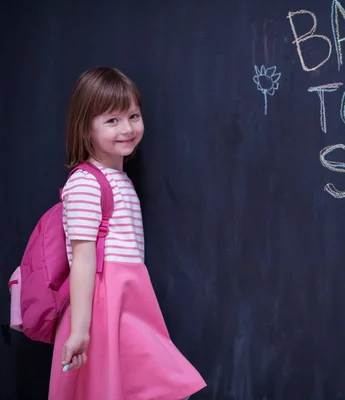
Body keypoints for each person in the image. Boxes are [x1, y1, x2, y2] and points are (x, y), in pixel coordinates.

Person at [49, 67, 206, 399]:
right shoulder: (85, 182)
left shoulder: (119, 180)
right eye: (112, 121)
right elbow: (82, 258)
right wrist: (80, 330)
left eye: (133, 116)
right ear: (85, 127)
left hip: (129, 298)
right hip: (103, 303)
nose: (127, 128)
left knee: (134, 385)